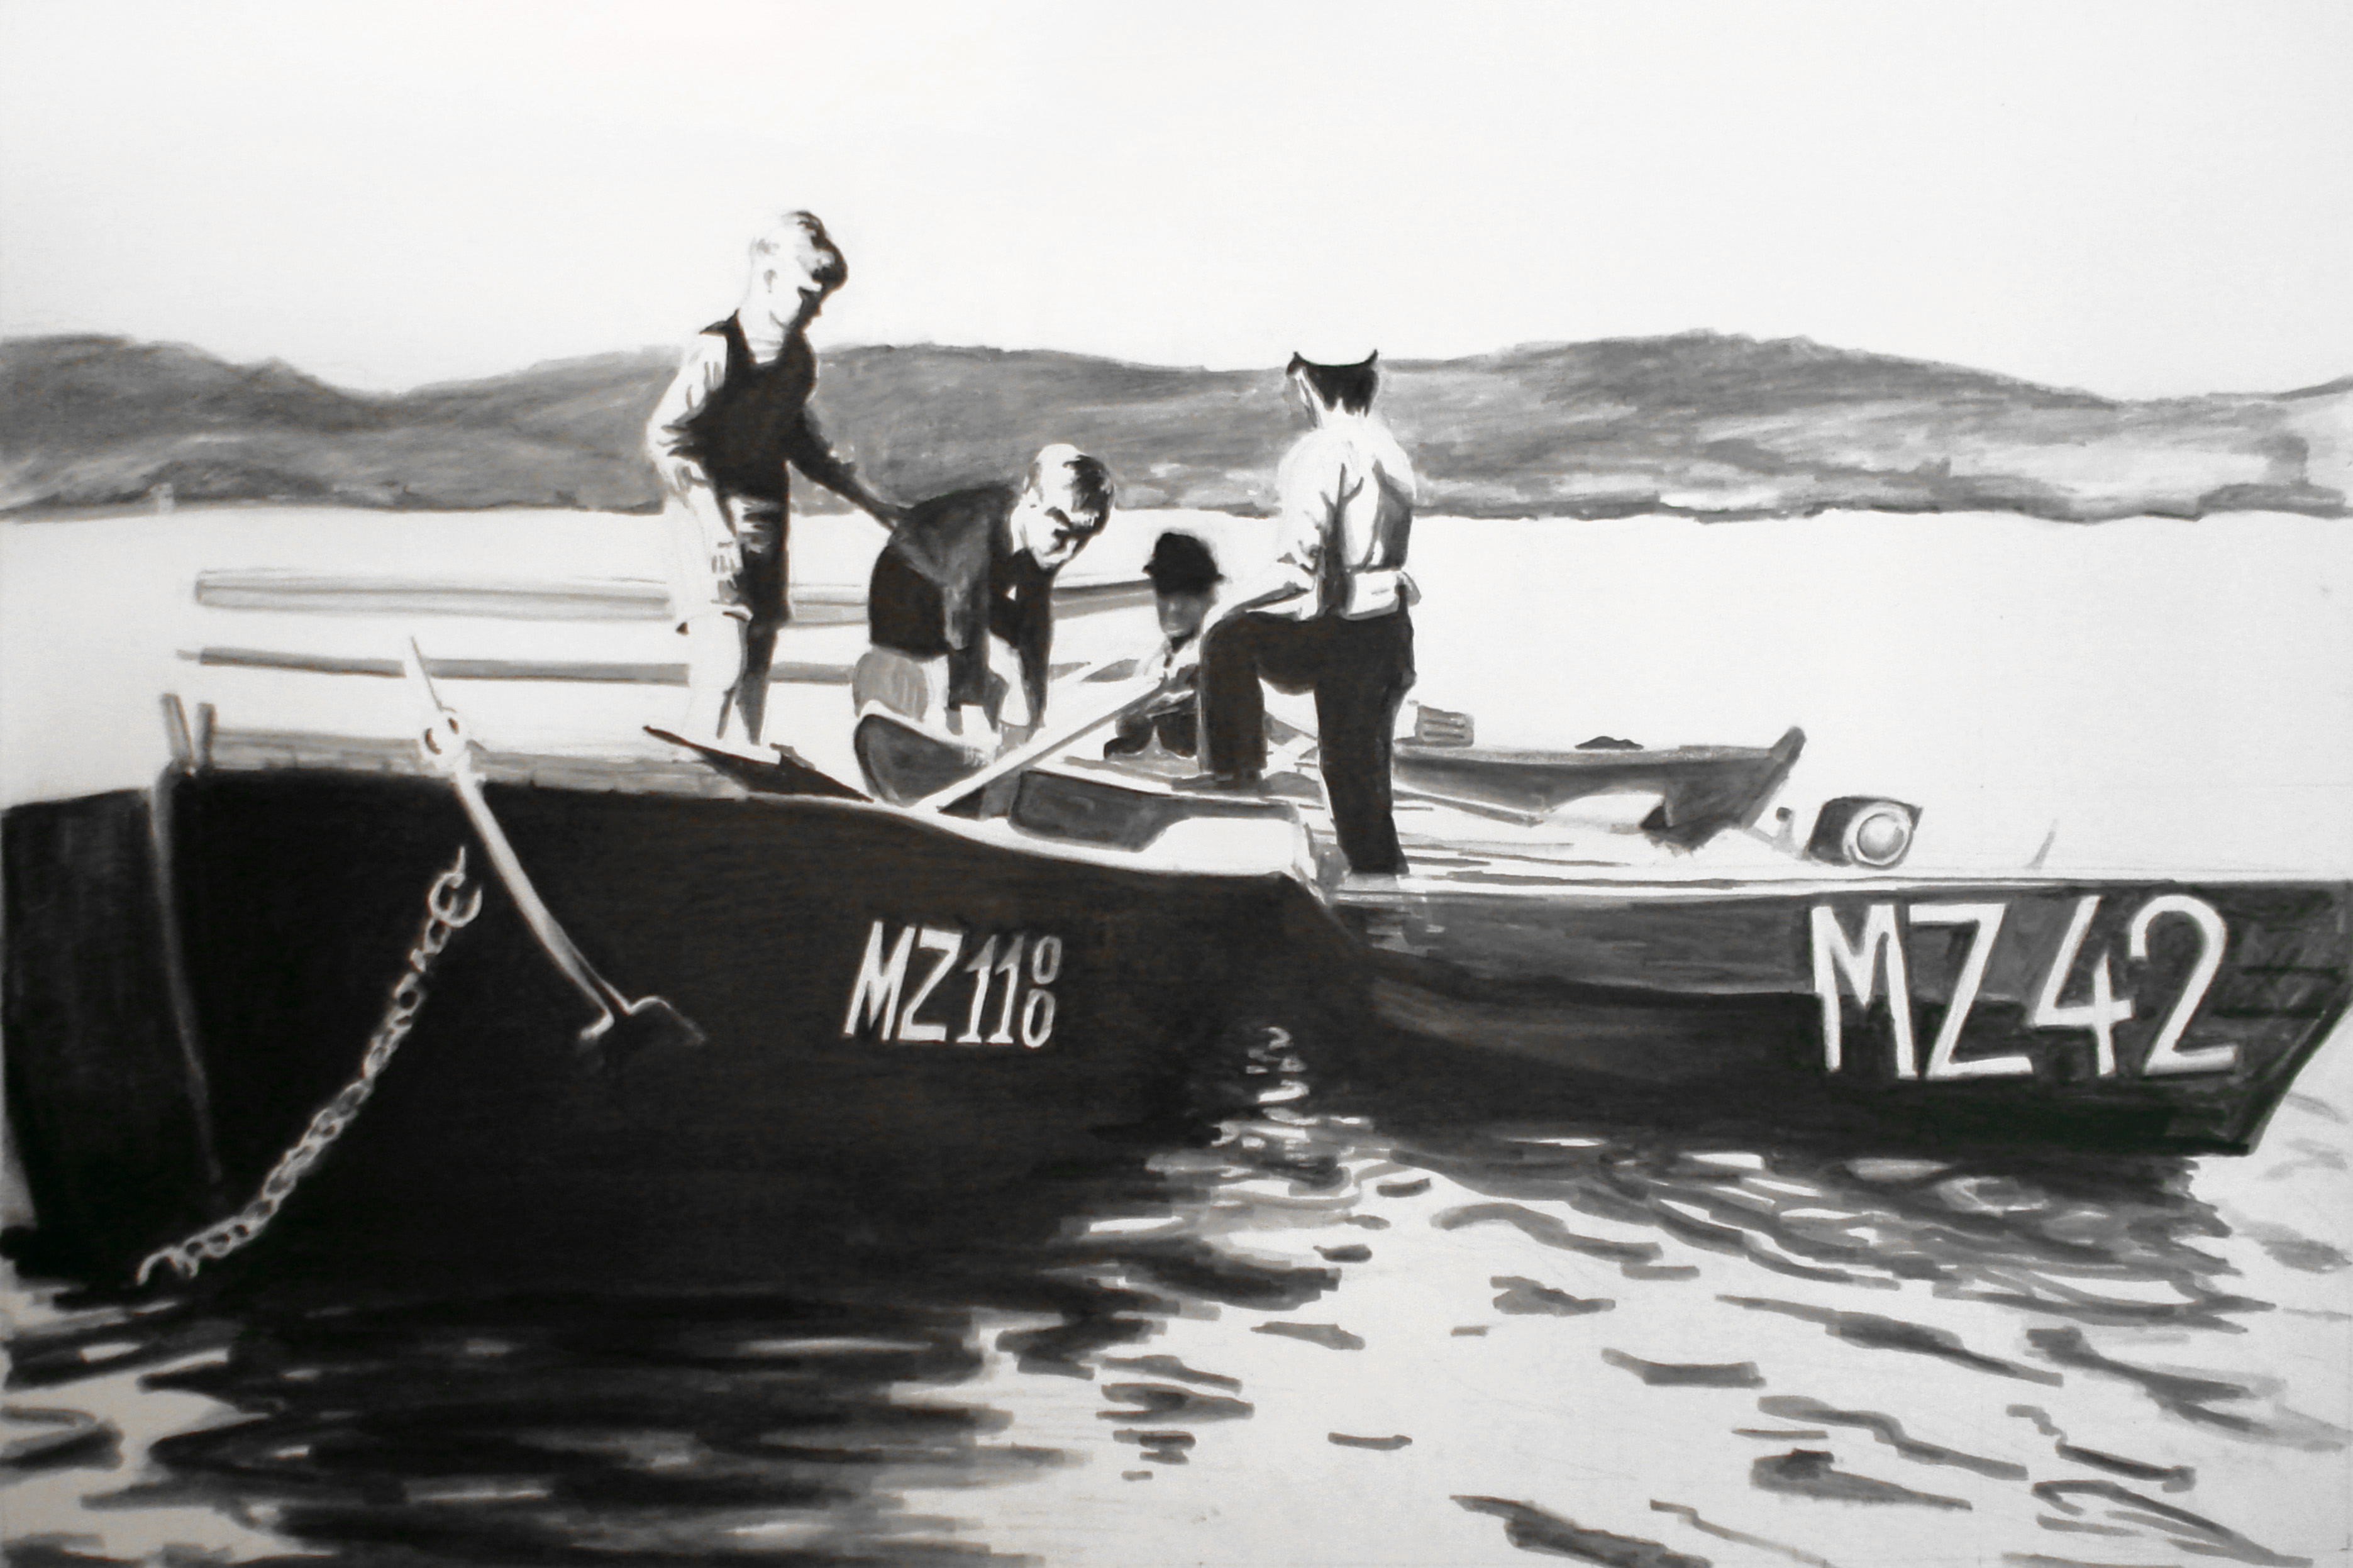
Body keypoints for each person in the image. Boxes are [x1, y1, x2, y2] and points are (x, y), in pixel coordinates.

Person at [646, 211, 905, 744]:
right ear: (768, 276)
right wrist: (715, 528)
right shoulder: (718, 350)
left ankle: (744, 765)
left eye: (822, 297)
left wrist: (875, 505)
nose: (816, 308)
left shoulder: (798, 361)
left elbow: (804, 446)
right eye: (807, 292)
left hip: (765, 524)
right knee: (721, 664)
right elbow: (666, 435)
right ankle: (694, 766)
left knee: (756, 666)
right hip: (705, 522)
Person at [1185, 351, 1417, 875]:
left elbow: (1295, 572)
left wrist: (1217, 613)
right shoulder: (1389, 450)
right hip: (1388, 631)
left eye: (1298, 388)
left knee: (1228, 640)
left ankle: (1235, 790)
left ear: (1309, 385)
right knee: (1361, 796)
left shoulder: (1323, 451)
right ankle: (1383, 891)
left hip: (1347, 639)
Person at [852, 445, 1114, 797]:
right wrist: (971, 713)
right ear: (1031, 500)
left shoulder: (1040, 541)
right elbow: (964, 615)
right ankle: (955, 734)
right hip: (906, 592)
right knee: (959, 663)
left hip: (969, 595)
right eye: (1061, 534)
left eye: (1082, 540)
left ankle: (995, 735)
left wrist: (1035, 715)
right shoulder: (978, 531)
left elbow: (1033, 626)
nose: (1067, 552)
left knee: (1011, 659)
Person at [1102, 531, 1222, 759]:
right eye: (1165, 593)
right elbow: (1128, 727)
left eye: (1188, 595)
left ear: (1210, 597)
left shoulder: (1214, 655)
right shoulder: (1153, 659)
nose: (1174, 608)